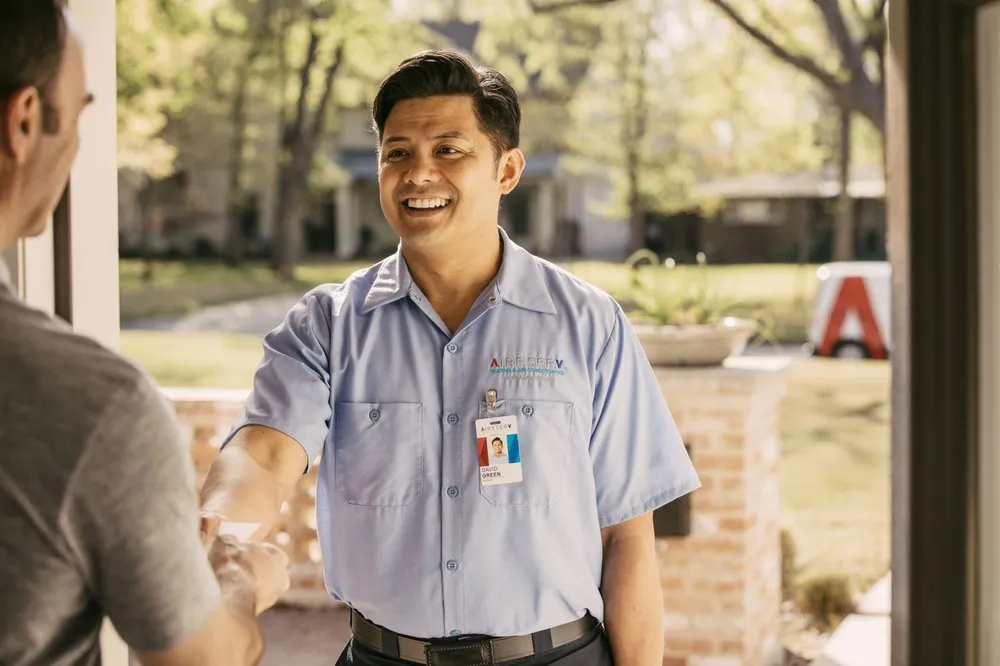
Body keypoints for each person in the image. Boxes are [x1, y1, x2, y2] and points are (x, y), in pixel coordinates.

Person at [200, 49, 700, 666]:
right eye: (398, 153)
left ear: (507, 170)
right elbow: (266, 452)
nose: (418, 174)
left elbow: (627, 537)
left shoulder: (588, 324)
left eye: (448, 150)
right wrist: (219, 535)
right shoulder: (328, 325)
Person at [0, 3, 291, 664]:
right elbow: (204, 659)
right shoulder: (93, 408)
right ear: (22, 123)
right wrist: (241, 581)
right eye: (78, 113)